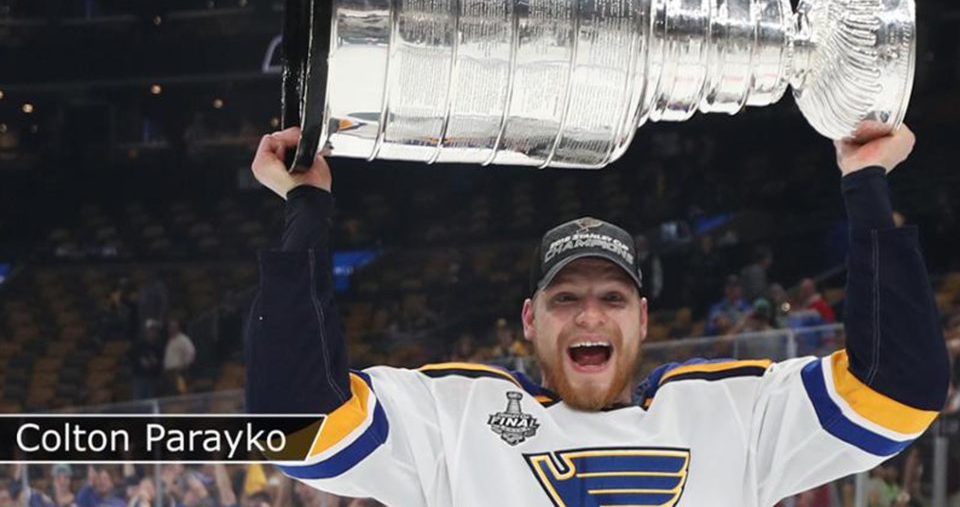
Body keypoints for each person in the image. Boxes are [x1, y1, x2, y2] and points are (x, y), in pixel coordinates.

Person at [246, 125, 948, 507]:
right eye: (565, 298)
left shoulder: (733, 412)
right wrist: (306, 208)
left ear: (642, 319)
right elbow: (294, 424)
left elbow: (898, 395)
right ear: (529, 318)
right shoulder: (452, 417)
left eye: (611, 299)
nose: (589, 315)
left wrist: (866, 185)